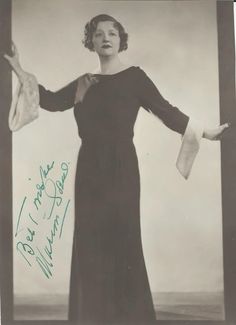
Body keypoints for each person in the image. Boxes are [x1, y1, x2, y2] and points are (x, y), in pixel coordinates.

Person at [4, 13, 229, 325]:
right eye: (98, 34)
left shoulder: (135, 77)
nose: (105, 38)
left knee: (123, 238)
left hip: (123, 166)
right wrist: (19, 70)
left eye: (112, 33)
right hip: (89, 169)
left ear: (122, 40)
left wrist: (204, 131)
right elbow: (53, 101)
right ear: (91, 42)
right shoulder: (85, 81)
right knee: (90, 241)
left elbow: (165, 110)